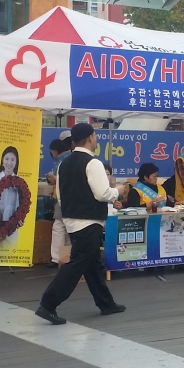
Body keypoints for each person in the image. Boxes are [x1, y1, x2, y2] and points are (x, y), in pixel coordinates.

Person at [35, 123, 125, 326]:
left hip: (72, 221)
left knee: (93, 264)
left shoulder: (63, 164)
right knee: (77, 264)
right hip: (89, 221)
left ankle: (106, 303)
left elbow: (60, 195)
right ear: (91, 138)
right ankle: (48, 304)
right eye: (95, 135)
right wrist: (118, 190)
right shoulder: (93, 163)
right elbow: (103, 194)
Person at [45, 139, 72, 268]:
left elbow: (62, 180)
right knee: (68, 228)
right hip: (72, 199)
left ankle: (56, 258)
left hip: (63, 199)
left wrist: (54, 179)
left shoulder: (61, 161)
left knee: (58, 227)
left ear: (54, 151)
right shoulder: (72, 157)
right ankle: (66, 256)